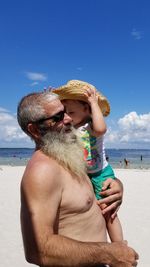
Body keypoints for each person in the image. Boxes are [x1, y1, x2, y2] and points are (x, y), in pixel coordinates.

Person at [17, 91, 138, 267]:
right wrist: (109, 253)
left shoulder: (68, 154)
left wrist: (116, 186)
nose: (68, 119)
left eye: (65, 111)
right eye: (57, 117)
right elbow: (37, 250)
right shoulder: (42, 170)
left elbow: (92, 183)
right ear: (34, 130)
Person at [53, 80, 123, 242]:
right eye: (64, 112)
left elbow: (101, 130)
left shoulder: (89, 125)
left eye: (71, 112)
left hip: (100, 174)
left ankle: (119, 244)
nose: (67, 116)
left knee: (108, 211)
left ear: (87, 110)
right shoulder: (70, 127)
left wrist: (93, 103)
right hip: (84, 175)